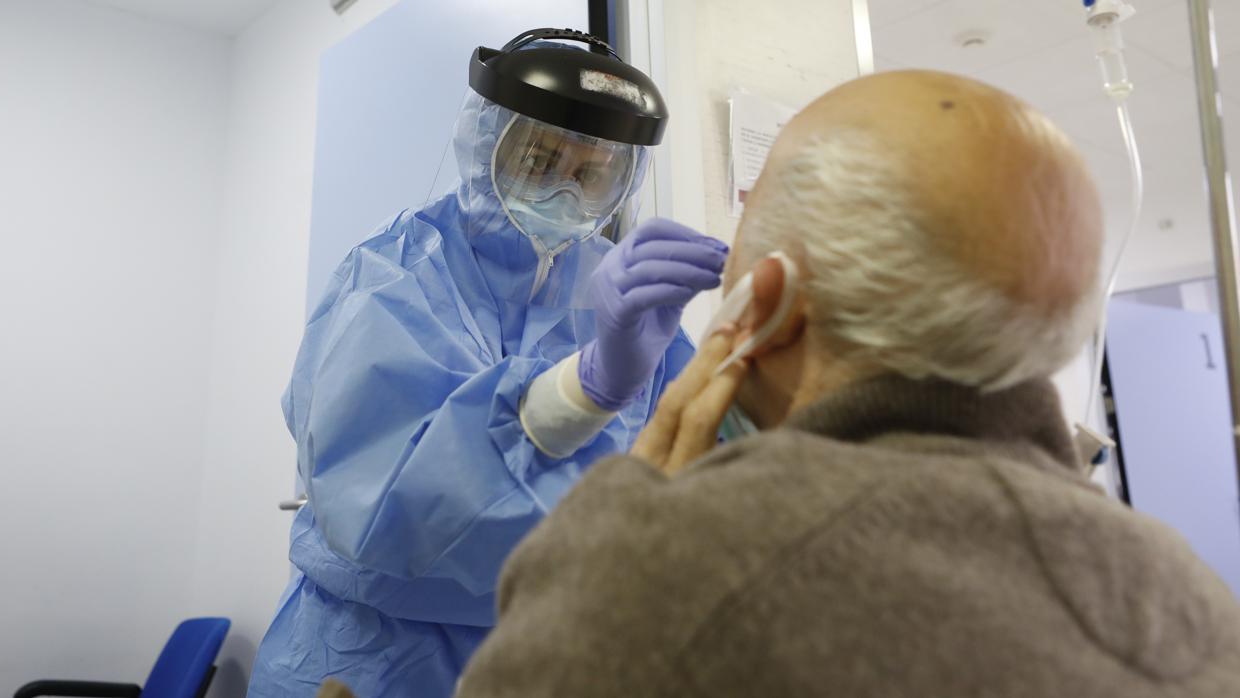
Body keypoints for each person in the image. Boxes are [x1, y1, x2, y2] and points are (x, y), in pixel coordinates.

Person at [455, 70, 1240, 697]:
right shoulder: (1189, 590)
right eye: (541, 163)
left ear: (766, 304)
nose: (565, 191)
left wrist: (613, 558)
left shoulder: (665, 569)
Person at [247, 29, 727, 697]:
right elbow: (386, 503)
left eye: (593, 173)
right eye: (539, 160)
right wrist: (581, 392)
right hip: (371, 656)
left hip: (542, 654)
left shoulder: (613, 294)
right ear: (485, 145)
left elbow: (693, 457)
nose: (565, 192)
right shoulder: (396, 275)